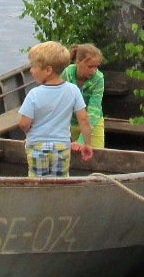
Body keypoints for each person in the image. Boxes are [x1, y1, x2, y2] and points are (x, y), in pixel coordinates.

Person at [19, 41, 93, 177]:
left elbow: (24, 123)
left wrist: (28, 132)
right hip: (61, 147)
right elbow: (84, 119)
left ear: (48, 70)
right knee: (60, 183)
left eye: (33, 67)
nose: (31, 70)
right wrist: (87, 144)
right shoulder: (73, 90)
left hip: (37, 146)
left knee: (38, 183)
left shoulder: (34, 94)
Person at [63, 43, 106, 149]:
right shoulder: (67, 73)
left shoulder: (98, 79)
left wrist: (83, 141)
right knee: (77, 157)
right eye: (90, 66)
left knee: (96, 157)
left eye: (96, 66)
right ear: (78, 62)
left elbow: (94, 109)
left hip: (93, 123)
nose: (93, 70)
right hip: (73, 122)